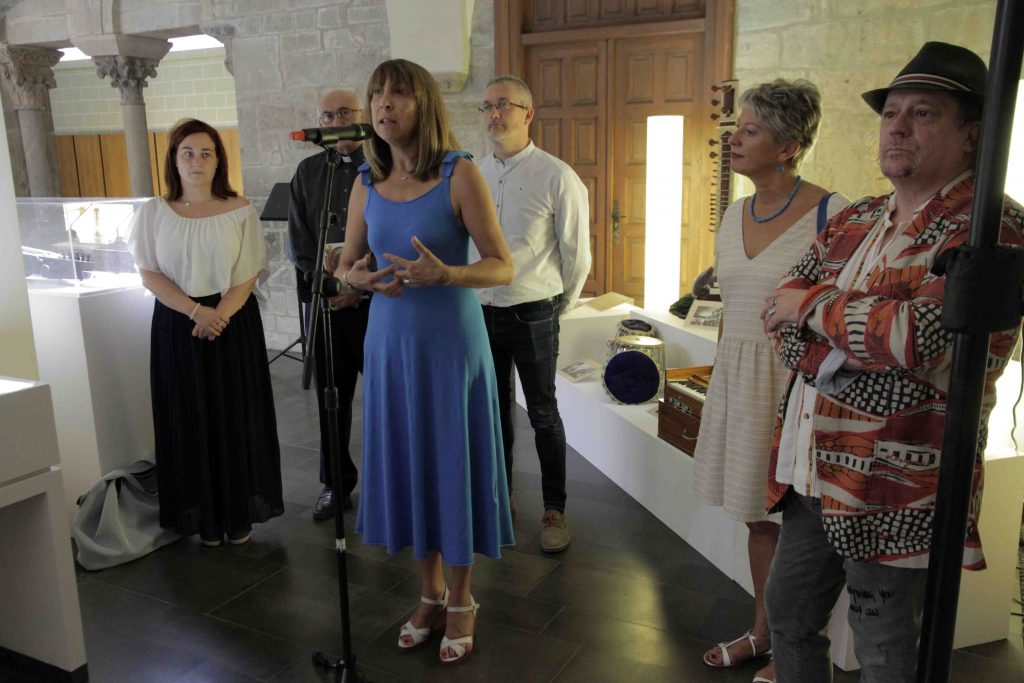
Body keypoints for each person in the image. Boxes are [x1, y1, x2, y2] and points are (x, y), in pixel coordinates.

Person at [760, 42, 1024, 682]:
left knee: (883, 646)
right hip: (813, 464)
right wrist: (854, 336)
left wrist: (816, 305)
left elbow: (910, 338)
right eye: (891, 113)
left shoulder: (992, 230)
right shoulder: (858, 218)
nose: (898, 128)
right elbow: (776, 316)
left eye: (923, 114)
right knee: (789, 615)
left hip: (897, 483)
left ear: (972, 135)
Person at [334, 59, 515, 665]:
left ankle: (462, 599)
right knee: (413, 464)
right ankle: (429, 592)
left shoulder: (458, 173)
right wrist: (353, 278)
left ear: (424, 104)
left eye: (398, 94)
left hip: (449, 346)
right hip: (389, 345)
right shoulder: (366, 179)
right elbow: (346, 263)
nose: (384, 105)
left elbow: (502, 265)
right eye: (376, 94)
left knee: (450, 464)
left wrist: (449, 273)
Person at [693, 79, 848, 683]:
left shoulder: (833, 213)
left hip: (797, 385)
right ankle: (763, 632)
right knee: (759, 516)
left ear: (788, 146)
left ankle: (794, 647)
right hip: (740, 375)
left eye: (750, 130)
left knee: (803, 523)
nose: (734, 139)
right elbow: (733, 305)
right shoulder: (733, 212)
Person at [128, 118, 284, 547]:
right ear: (173, 160)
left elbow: (248, 272)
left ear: (219, 160)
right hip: (179, 323)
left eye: (206, 153)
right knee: (187, 414)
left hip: (232, 324)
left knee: (236, 416)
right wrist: (197, 311)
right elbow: (149, 273)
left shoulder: (240, 209)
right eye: (187, 153)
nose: (196, 161)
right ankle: (201, 517)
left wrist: (218, 316)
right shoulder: (154, 212)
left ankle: (238, 514)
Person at [474, 75, 591, 553]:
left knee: (543, 413)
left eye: (505, 105)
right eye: (487, 106)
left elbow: (577, 255)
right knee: (493, 412)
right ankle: (501, 498)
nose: (494, 114)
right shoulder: (473, 174)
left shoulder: (557, 176)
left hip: (534, 311)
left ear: (528, 114)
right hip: (481, 311)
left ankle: (554, 510)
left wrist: (553, 307)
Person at [287, 89, 369, 520]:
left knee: (385, 399)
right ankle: (335, 484)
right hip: (327, 305)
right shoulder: (307, 172)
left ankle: (392, 480)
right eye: (327, 114)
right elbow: (299, 242)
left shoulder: (381, 168)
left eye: (344, 113)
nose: (335, 120)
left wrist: (358, 286)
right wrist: (329, 284)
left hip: (376, 306)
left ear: (360, 117)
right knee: (330, 399)